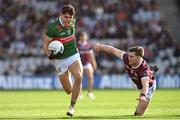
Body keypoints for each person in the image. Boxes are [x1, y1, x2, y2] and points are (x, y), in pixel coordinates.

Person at [95, 43, 158, 116]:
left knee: (138, 114)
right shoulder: (126, 57)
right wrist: (100, 46)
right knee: (138, 79)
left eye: (132, 56)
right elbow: (113, 51)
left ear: (139, 57)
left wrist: (143, 95)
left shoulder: (143, 71)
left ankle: (151, 72)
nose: (129, 58)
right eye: (128, 56)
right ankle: (152, 71)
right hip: (135, 80)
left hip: (148, 87)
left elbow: (145, 85)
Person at [42, 4, 83, 117]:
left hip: (73, 54)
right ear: (61, 15)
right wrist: (48, 55)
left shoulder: (72, 23)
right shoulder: (53, 28)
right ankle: (75, 85)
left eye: (70, 17)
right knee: (68, 90)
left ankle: (72, 107)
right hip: (60, 60)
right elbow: (45, 44)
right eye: (66, 17)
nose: (68, 20)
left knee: (79, 77)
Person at [77, 32, 97, 99]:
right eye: (83, 36)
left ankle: (90, 92)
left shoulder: (89, 45)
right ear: (80, 37)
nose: (84, 37)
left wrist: (94, 62)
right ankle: (79, 94)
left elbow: (91, 54)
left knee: (90, 76)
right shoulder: (77, 45)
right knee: (79, 79)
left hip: (87, 63)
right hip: (79, 63)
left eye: (85, 36)